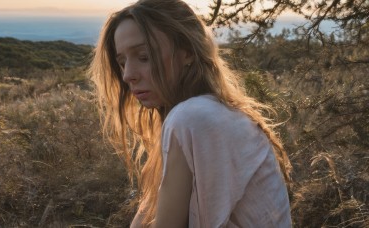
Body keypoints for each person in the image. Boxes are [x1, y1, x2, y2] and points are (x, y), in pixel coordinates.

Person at [89, 0, 293, 227]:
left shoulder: (193, 117)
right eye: (122, 62)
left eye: (144, 57)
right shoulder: (216, 113)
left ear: (186, 52)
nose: (127, 75)